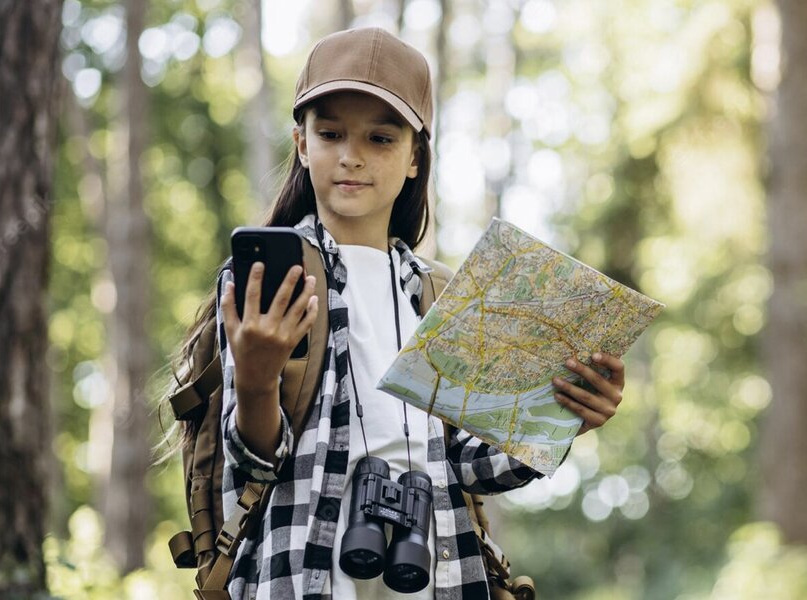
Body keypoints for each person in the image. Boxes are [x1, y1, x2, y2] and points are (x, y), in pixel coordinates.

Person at [177, 27, 626, 599]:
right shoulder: (269, 279)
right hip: (303, 571)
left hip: (437, 572)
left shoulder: (441, 295)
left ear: (416, 156)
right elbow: (253, 469)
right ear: (301, 143)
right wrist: (259, 380)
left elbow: (467, 464)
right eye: (331, 133)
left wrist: (564, 417)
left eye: (381, 138)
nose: (351, 156)